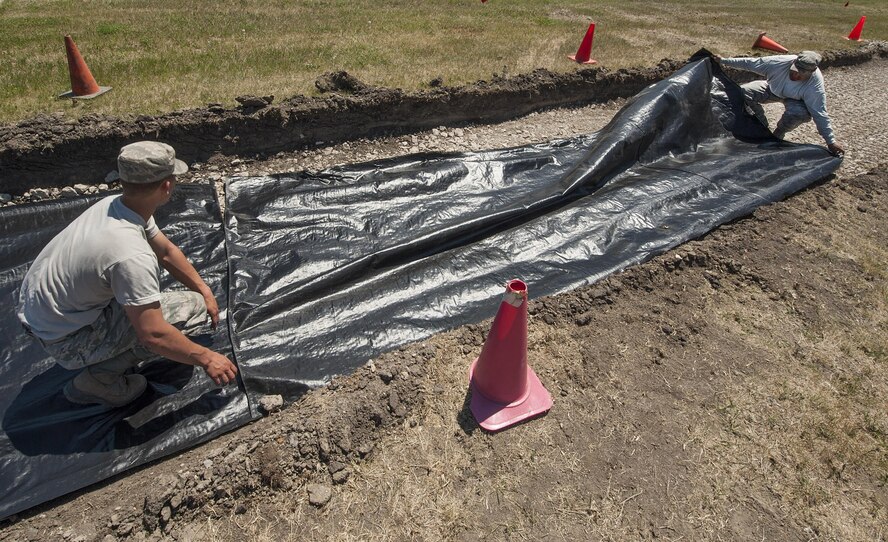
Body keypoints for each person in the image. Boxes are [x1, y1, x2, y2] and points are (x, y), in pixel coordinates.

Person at [17, 141, 238, 408]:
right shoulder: (131, 255)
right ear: (166, 186)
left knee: (194, 301)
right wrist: (206, 357)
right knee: (186, 312)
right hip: (65, 339)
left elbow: (166, 251)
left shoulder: (116, 205)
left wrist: (204, 290)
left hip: (44, 313)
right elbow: (153, 335)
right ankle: (97, 379)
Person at [713, 50, 844, 156]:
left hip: (795, 99)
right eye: (794, 71)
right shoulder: (779, 63)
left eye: (801, 75)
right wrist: (724, 60)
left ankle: (778, 135)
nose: (795, 76)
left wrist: (831, 142)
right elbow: (751, 63)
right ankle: (761, 127)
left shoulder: (814, 86)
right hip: (772, 89)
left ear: (812, 72)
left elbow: (820, 113)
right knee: (742, 92)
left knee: (799, 113)